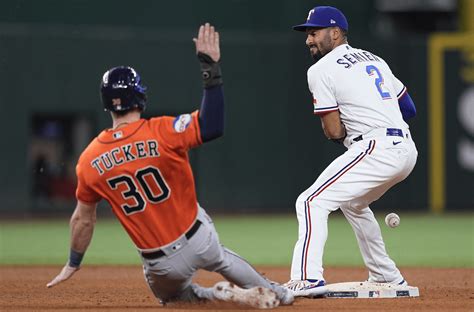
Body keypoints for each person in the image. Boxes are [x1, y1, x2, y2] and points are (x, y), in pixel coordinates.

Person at [46, 23, 293, 309]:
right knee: (222, 258)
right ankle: (278, 292)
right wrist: (210, 69)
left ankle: (215, 295)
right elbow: (212, 125)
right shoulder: (163, 130)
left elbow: (82, 220)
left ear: (107, 104)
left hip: (160, 264)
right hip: (198, 237)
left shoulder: (89, 160)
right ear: (140, 96)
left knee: (174, 299)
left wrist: (73, 262)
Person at [284, 6, 418, 297]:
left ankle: (306, 278)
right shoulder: (376, 59)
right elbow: (409, 108)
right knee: (354, 204)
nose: (308, 40)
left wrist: (361, 129)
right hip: (406, 148)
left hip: (375, 146)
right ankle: (386, 275)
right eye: (307, 34)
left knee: (310, 202)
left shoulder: (320, 69)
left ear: (335, 32)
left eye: (314, 32)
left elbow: (333, 131)